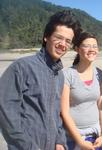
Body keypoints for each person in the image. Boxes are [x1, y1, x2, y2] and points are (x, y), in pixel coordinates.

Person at [0, 10, 82, 150]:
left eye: (68, 41)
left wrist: (60, 141)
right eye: (58, 38)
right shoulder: (21, 67)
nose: (63, 44)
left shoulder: (59, 75)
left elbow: (56, 114)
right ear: (46, 37)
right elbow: (6, 114)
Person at [61, 32, 102, 150]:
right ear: (77, 49)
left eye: (94, 46)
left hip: (95, 134)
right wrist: (80, 141)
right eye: (86, 46)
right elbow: (64, 112)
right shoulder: (67, 74)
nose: (91, 49)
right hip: (72, 136)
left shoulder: (99, 73)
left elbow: (101, 106)